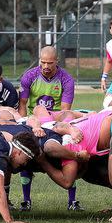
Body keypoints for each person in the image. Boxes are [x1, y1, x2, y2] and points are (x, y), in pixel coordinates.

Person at [17, 46, 77, 211]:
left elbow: (65, 111)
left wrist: (55, 125)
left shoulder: (66, 80)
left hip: (55, 123)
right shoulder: (29, 76)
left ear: (56, 61)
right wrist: (23, 123)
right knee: (26, 154)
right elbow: (22, 105)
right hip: (32, 121)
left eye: (50, 63)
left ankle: (72, 201)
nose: (46, 66)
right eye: (42, 62)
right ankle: (26, 200)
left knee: (68, 151)